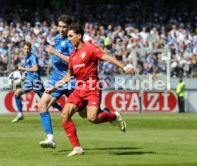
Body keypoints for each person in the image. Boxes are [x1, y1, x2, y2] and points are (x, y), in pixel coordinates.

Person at [46, 23, 136, 156]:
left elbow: (108, 58)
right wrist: (54, 87)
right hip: (79, 88)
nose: (69, 39)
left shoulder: (90, 49)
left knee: (92, 118)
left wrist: (124, 67)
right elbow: (69, 76)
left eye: (71, 36)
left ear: (79, 36)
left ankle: (114, 115)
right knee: (64, 115)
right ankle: (77, 148)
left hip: (92, 87)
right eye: (68, 36)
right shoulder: (72, 56)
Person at [38, 15, 75, 148]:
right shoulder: (57, 39)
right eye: (59, 26)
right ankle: (50, 138)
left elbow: (72, 60)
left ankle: (109, 115)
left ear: (69, 28)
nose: (61, 29)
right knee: (42, 105)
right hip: (56, 81)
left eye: (64, 27)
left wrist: (55, 52)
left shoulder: (71, 41)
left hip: (71, 81)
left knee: (87, 115)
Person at [11, 42, 62, 122]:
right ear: (23, 49)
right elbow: (30, 70)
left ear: (30, 49)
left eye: (28, 49)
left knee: (47, 100)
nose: (26, 50)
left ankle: (61, 109)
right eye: (25, 49)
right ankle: (20, 114)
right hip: (29, 82)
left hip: (35, 82)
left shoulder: (32, 57)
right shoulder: (26, 58)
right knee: (17, 93)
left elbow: (35, 69)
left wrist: (23, 69)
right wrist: (24, 75)